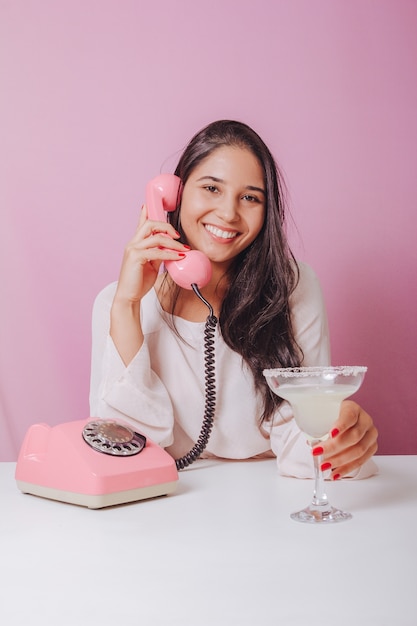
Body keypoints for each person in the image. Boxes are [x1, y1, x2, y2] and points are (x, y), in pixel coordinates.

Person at [89, 119, 378, 478]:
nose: (228, 213)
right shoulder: (116, 304)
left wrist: (342, 433)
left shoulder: (293, 288)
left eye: (250, 197)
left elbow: (301, 441)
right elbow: (124, 449)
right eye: (211, 188)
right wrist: (128, 305)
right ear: (172, 197)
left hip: (268, 502)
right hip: (164, 508)